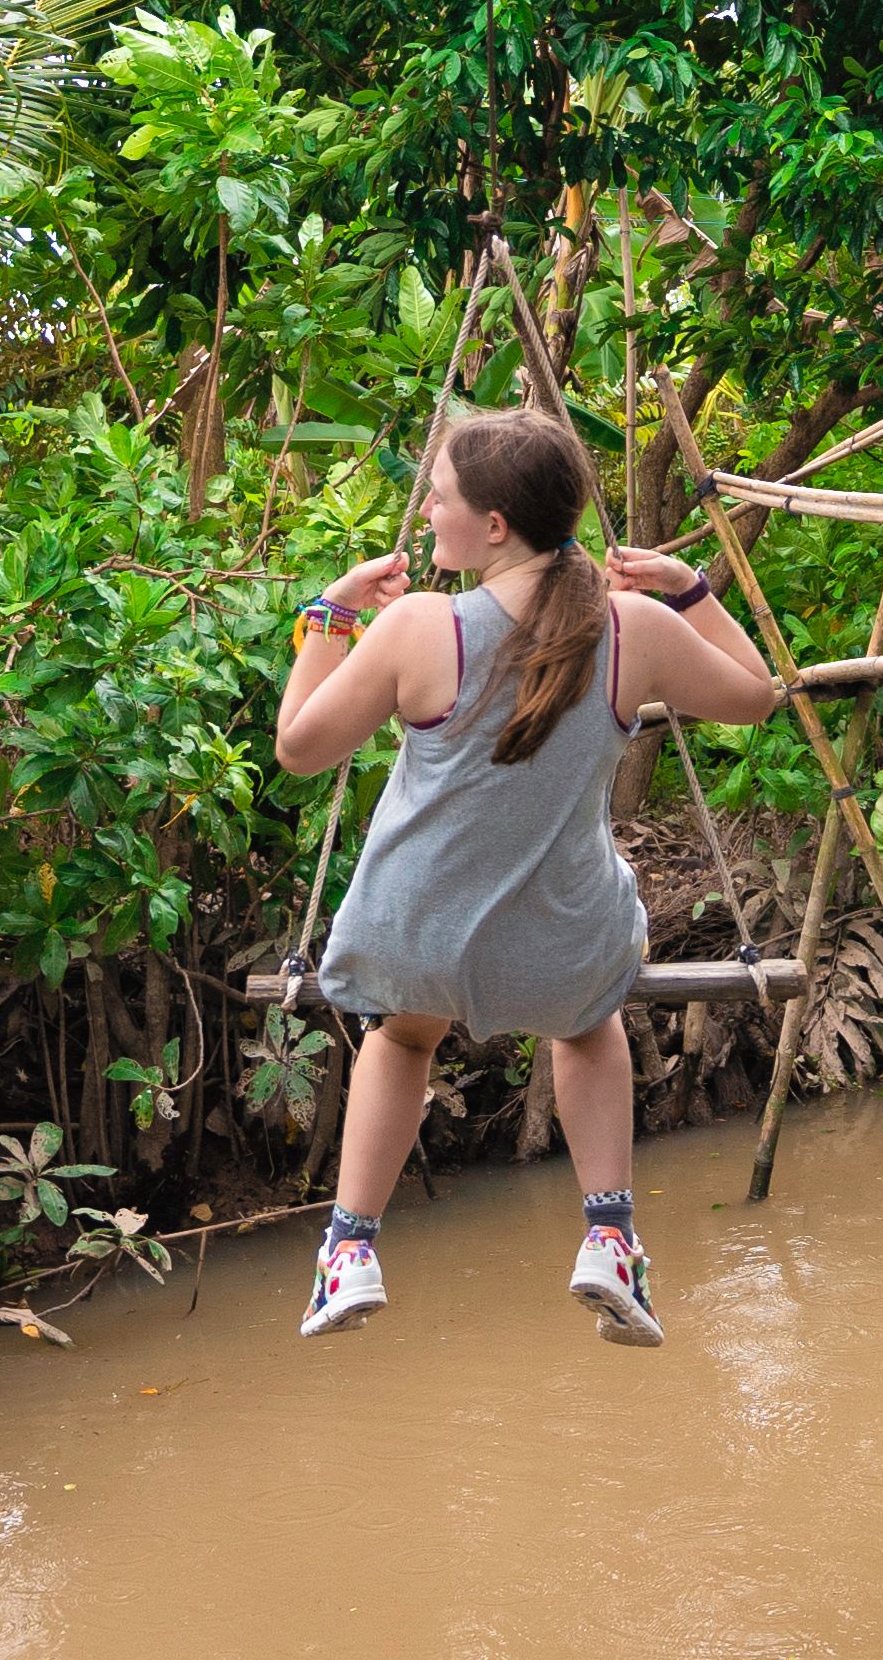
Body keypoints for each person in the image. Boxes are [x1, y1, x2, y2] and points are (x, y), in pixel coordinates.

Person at [273, 404, 782, 1345]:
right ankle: (610, 1238)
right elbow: (758, 696)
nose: (428, 510)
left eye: (440, 497)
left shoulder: (416, 627)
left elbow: (298, 748)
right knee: (587, 1029)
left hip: (414, 942)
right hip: (559, 948)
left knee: (402, 1038)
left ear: (495, 525)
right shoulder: (633, 628)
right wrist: (689, 590)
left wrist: (331, 614)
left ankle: (349, 1249)